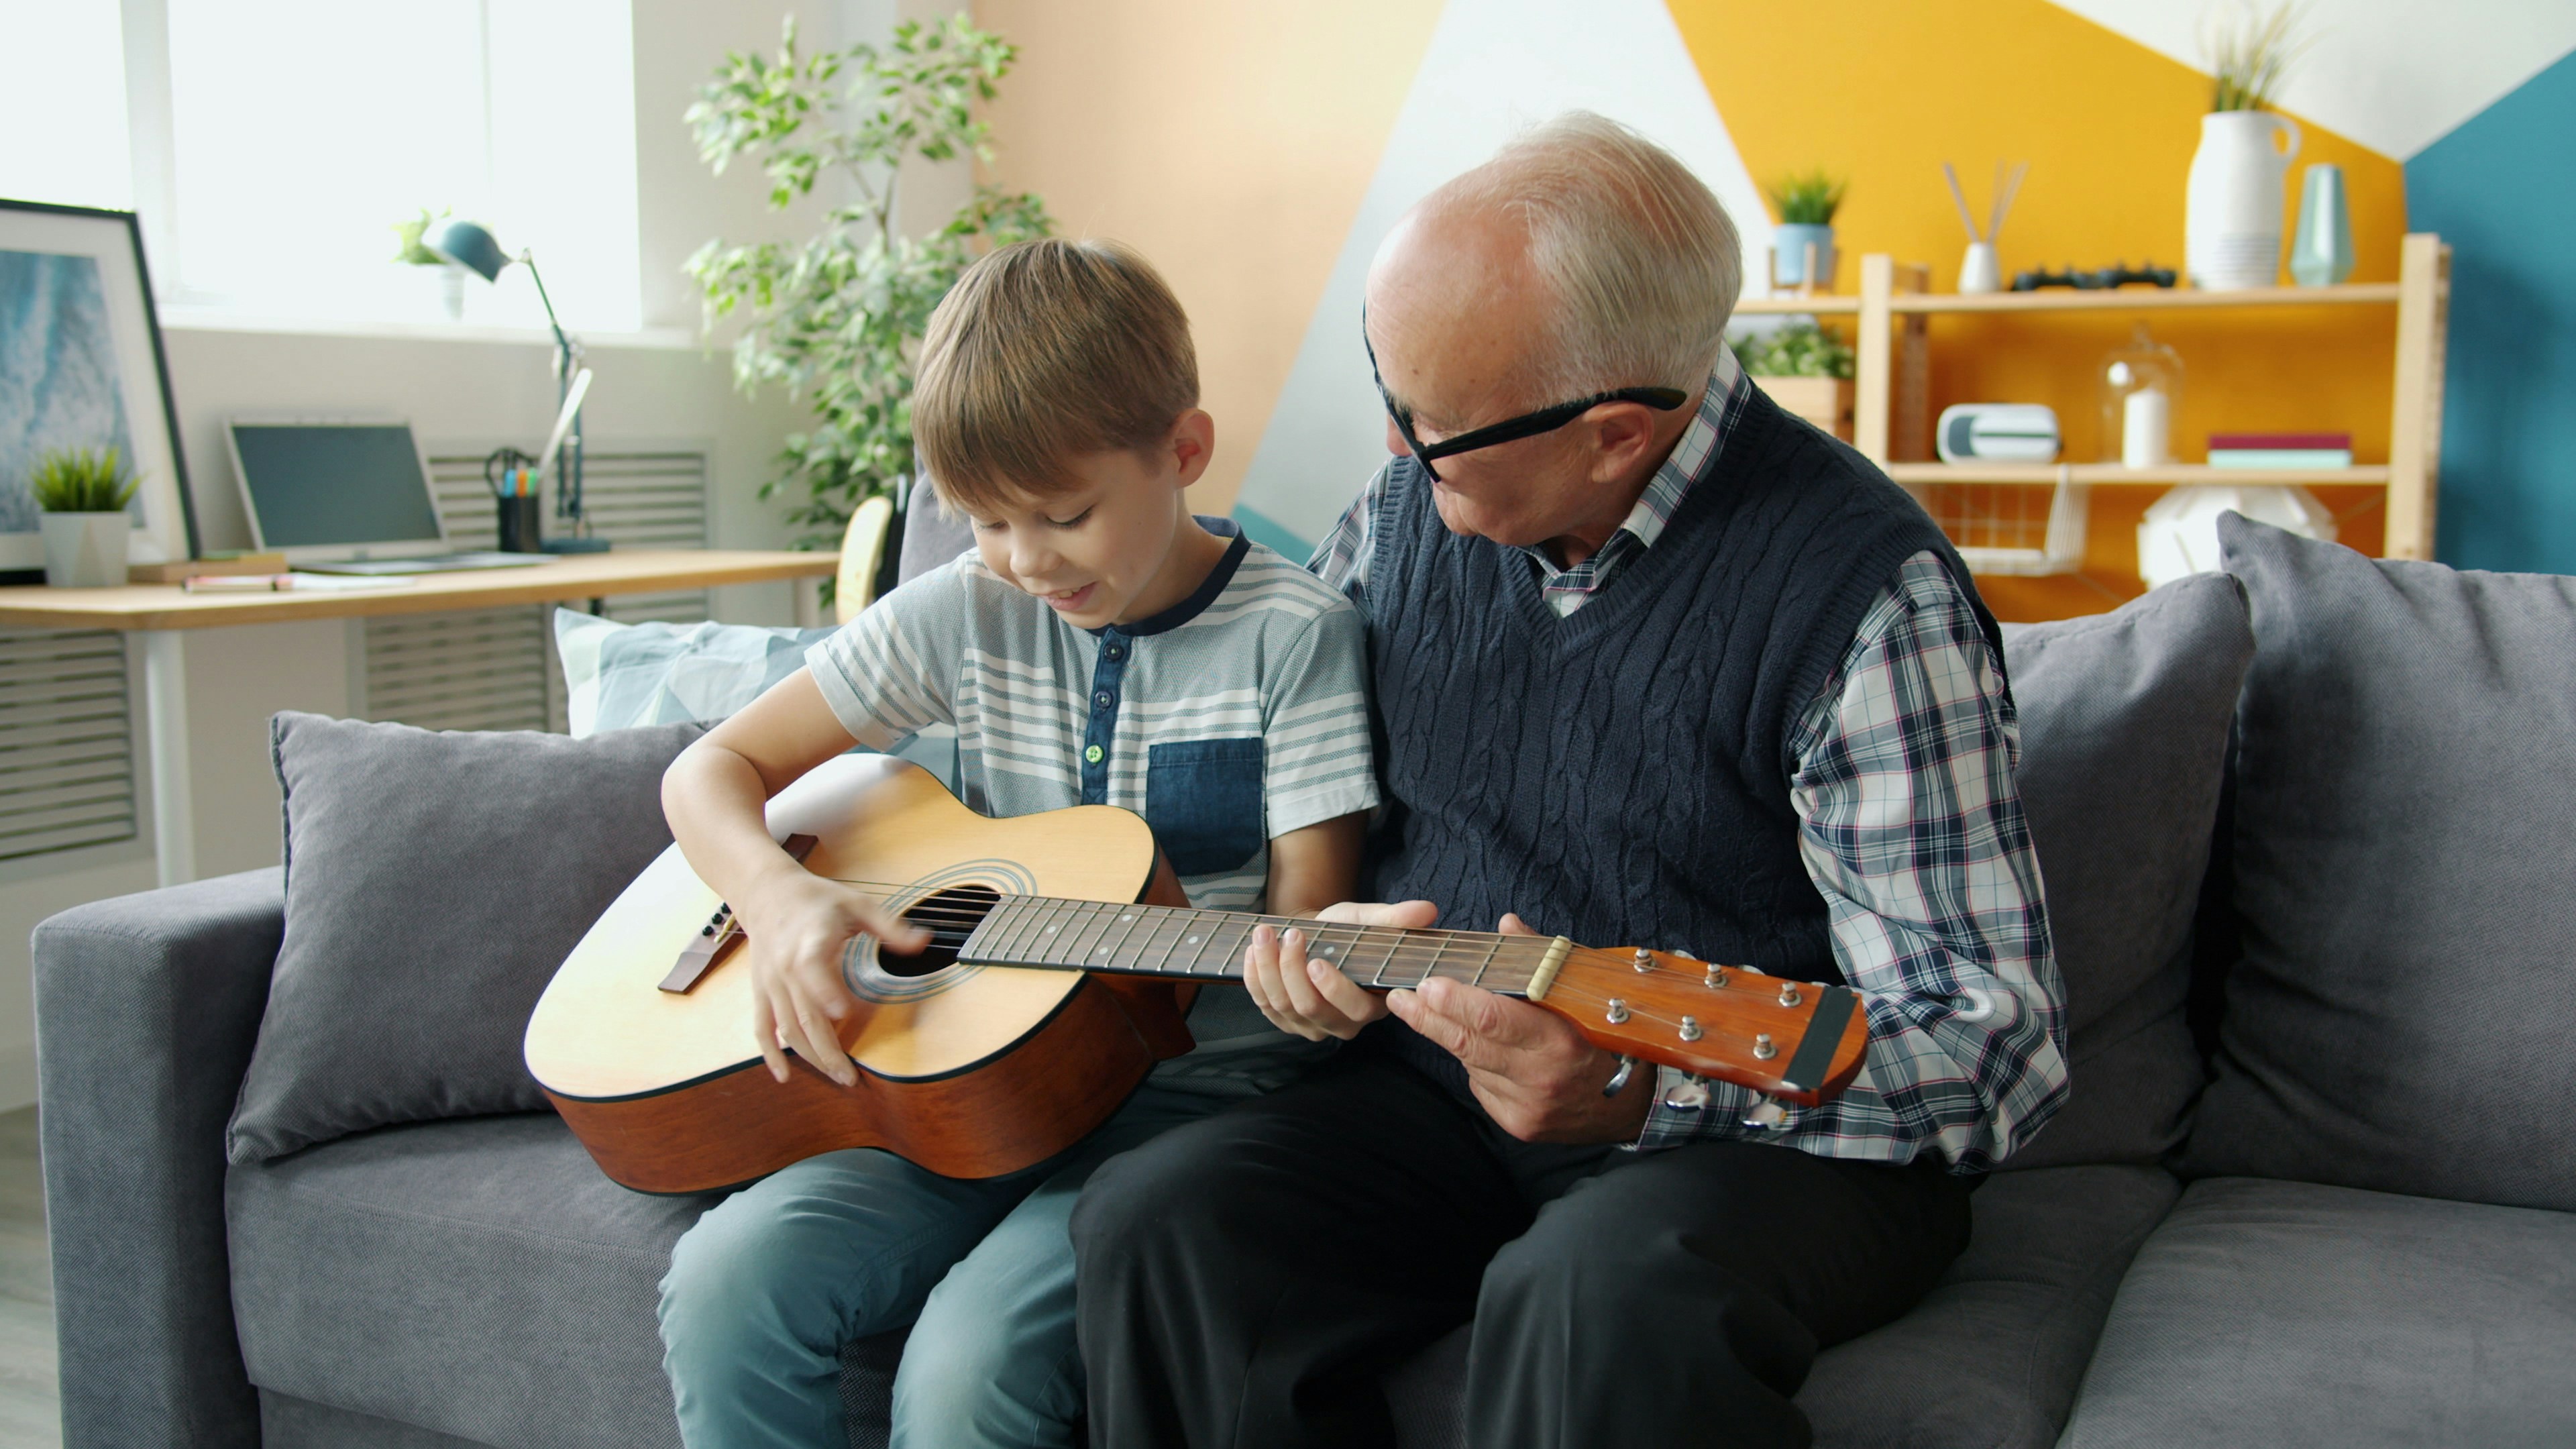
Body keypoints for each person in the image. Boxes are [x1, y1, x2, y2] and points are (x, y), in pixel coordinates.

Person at [1067, 113, 2070, 1449]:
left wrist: (1649, 1092)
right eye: (1387, 386)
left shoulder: (1871, 602)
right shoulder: (1398, 520)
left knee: (1593, 1297)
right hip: (1437, 1095)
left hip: (1765, 1142)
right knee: (1161, 1221)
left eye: (1433, 429)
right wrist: (1316, 939)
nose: (1390, 452)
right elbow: (1300, 821)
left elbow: (1992, 1044)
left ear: (1610, 436)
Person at [653, 237, 1380, 1449]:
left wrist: (1317, 987)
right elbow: (707, 772)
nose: (1026, 561)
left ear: (1184, 454)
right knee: (727, 1284)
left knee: (965, 1372)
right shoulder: (966, 611)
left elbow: (1304, 928)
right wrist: (780, 901)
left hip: (1179, 1114)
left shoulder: (1296, 636)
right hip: (966, 1086)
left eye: (1064, 516)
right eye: (986, 521)